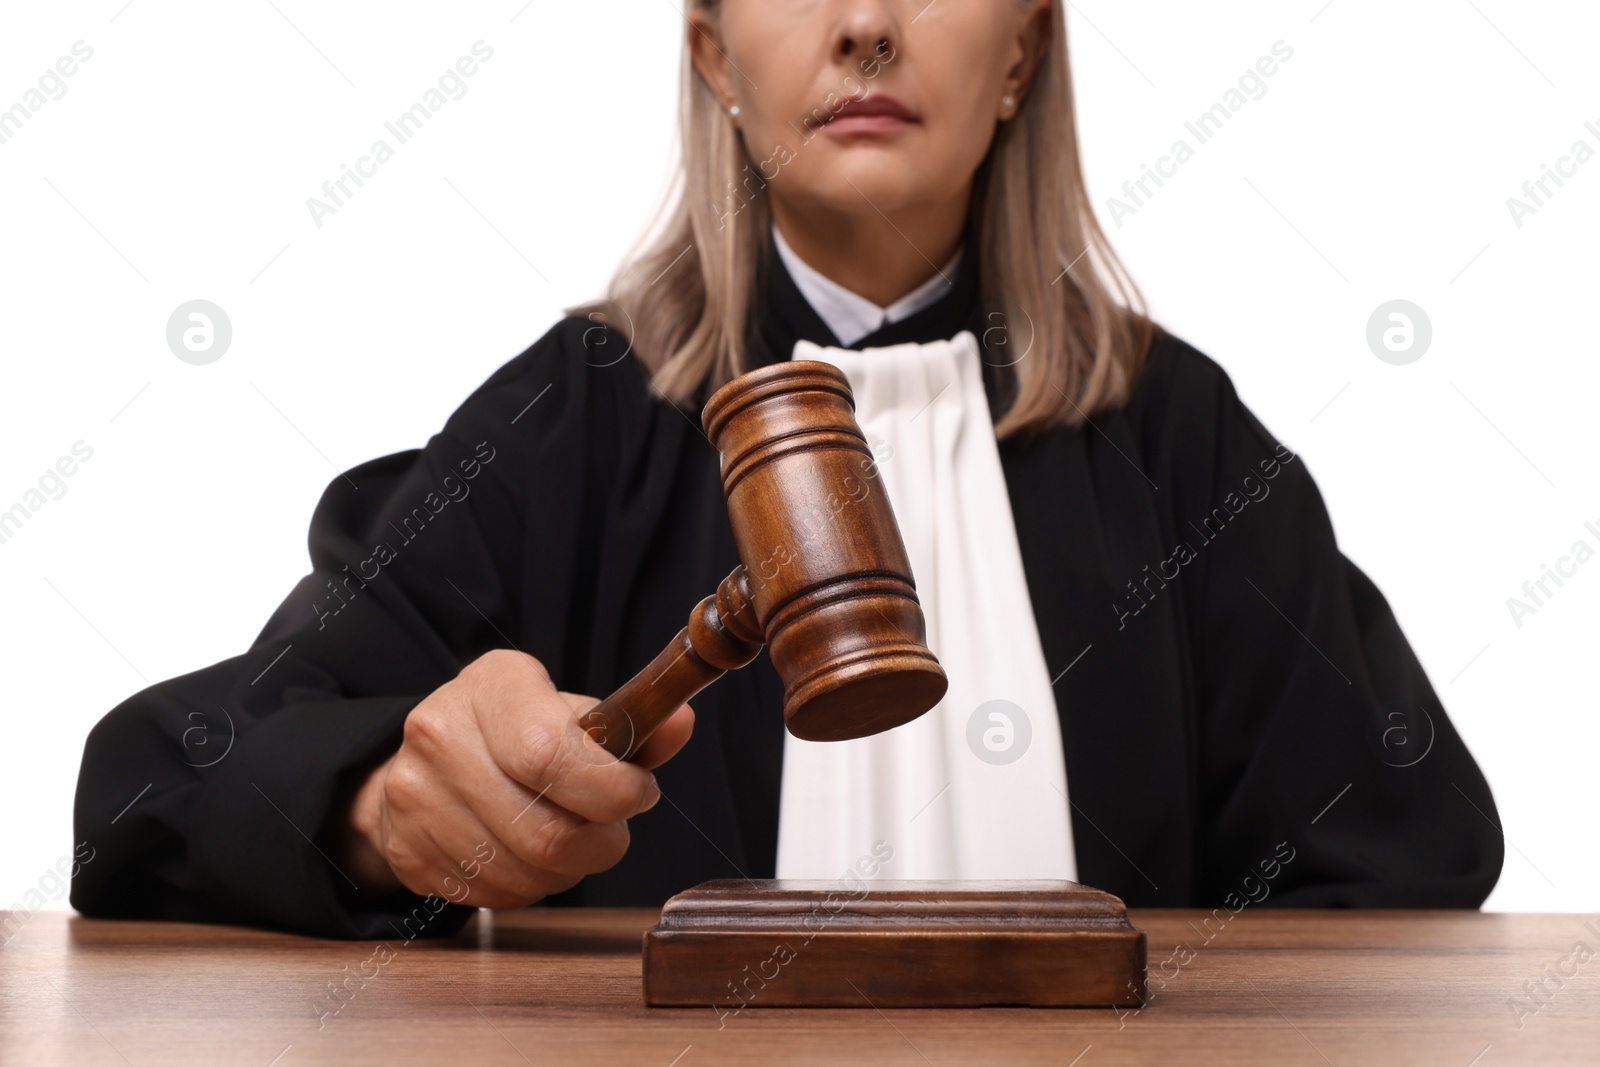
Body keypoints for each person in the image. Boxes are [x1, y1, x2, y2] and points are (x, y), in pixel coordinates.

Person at [72, 0, 1502, 940]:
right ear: (711, 54)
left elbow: (1405, 865)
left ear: (1023, 51)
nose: (868, 26)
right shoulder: (565, 427)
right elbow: (154, 789)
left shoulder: (1184, 447)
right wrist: (378, 808)